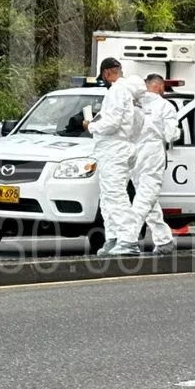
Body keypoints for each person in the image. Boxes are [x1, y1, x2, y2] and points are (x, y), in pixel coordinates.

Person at [85, 57, 146, 256]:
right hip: (120, 147)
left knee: (116, 195)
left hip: (114, 149)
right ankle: (114, 237)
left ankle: (128, 240)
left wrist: (91, 125)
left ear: (107, 72)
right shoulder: (130, 95)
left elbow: (111, 123)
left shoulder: (117, 91)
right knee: (108, 197)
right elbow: (136, 124)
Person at [130, 74, 180, 254]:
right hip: (152, 154)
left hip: (133, 154)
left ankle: (164, 239)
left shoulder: (134, 103)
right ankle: (128, 237)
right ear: (159, 86)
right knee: (146, 198)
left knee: (148, 198)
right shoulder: (165, 106)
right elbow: (170, 135)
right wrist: (177, 132)